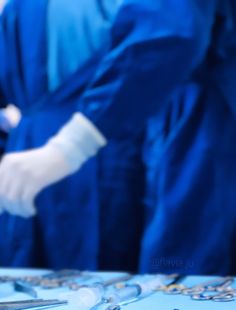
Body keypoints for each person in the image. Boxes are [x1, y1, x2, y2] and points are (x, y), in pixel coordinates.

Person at [0, 0, 236, 276]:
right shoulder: (25, 8)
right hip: (41, 162)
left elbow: (171, 32)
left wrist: (71, 146)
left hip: (146, 143)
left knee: (173, 276)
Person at [0, 0, 144, 271]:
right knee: (129, 276)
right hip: (112, 146)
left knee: (36, 273)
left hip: (31, 155)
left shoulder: (19, 9)